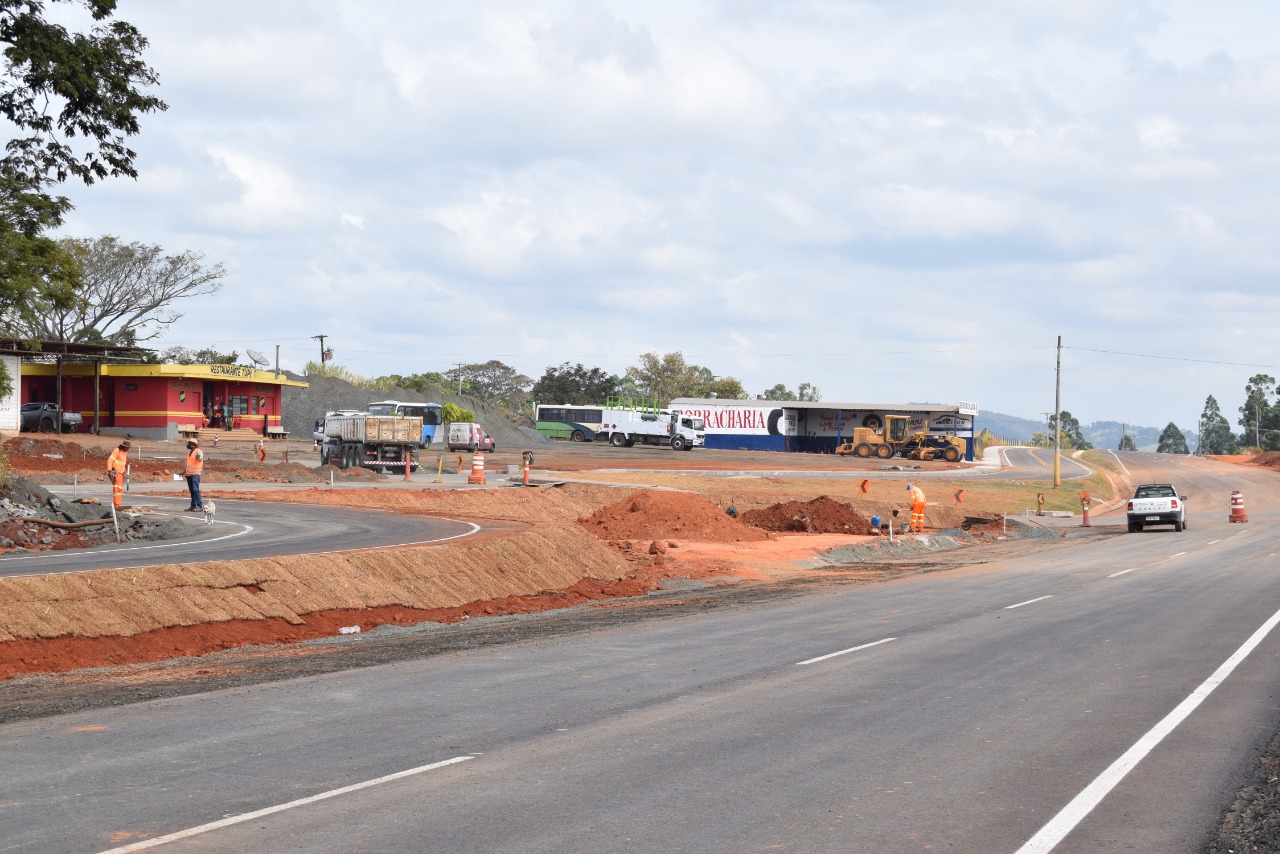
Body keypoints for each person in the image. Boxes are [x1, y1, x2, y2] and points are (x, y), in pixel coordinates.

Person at [106, 440, 130, 509]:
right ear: (124, 446)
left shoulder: (124, 453)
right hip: (116, 472)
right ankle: (116, 505)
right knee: (117, 489)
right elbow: (110, 460)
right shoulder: (117, 451)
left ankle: (118, 504)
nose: (128, 449)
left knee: (120, 490)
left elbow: (122, 464)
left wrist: (125, 473)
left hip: (121, 474)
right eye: (127, 448)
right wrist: (110, 471)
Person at [184, 439, 204, 512]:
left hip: (195, 474)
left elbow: (200, 458)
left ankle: (199, 506)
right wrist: (183, 472)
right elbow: (188, 465)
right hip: (189, 474)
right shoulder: (190, 453)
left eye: (189, 443)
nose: (188, 444)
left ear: (193, 444)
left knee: (195, 490)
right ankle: (193, 506)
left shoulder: (198, 451)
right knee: (192, 490)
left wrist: (199, 458)